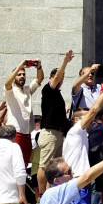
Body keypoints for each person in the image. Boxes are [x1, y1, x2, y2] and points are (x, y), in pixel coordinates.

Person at [63, 80, 103, 204]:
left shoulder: (77, 135)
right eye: (87, 117)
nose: (92, 120)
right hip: (78, 182)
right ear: (77, 120)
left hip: (76, 182)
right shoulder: (76, 131)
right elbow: (95, 109)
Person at [38, 50, 75, 196]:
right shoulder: (48, 89)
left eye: (61, 78)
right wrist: (65, 61)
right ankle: (41, 196)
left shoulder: (57, 95)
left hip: (59, 134)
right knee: (45, 165)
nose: (59, 79)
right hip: (50, 133)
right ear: (51, 78)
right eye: (57, 77)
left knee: (55, 167)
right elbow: (56, 78)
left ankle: (50, 192)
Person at [4, 58, 44, 164]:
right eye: (19, 74)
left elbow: (39, 79)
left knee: (24, 163)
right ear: (14, 78)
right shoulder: (11, 92)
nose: (22, 76)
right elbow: (7, 83)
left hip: (27, 134)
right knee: (14, 164)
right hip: (15, 133)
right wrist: (20, 65)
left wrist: (38, 66)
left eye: (23, 74)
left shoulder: (27, 90)